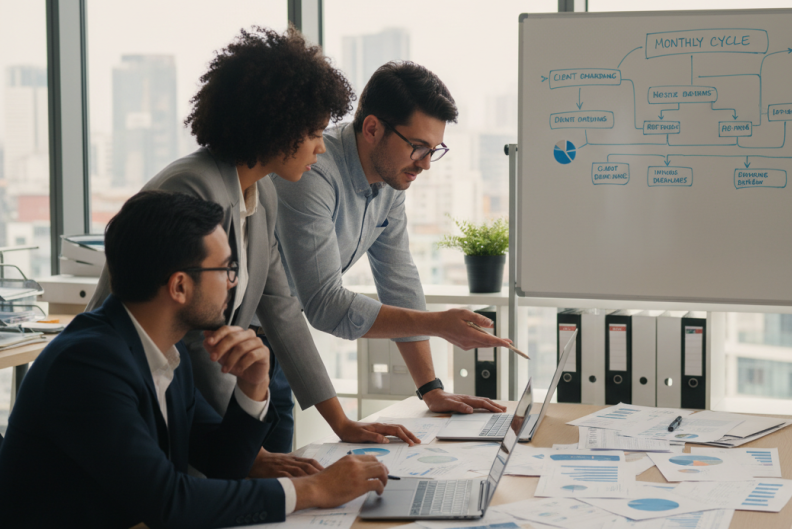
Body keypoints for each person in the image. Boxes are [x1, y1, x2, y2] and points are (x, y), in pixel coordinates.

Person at [86, 27, 504, 471]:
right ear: (278, 127)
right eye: (314, 132)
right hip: (135, 381)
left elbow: (283, 307)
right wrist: (247, 450)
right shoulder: (199, 188)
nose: (321, 146)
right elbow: (195, 336)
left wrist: (344, 420)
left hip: (226, 368)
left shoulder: (261, 194)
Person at [0, 191, 391, 528]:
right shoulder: (88, 364)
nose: (233, 283)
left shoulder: (165, 350)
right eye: (226, 269)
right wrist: (311, 490)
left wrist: (253, 387)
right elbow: (168, 503)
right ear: (180, 286)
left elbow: (222, 465)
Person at [273, 61, 511, 413]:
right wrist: (437, 324)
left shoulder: (391, 181)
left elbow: (399, 278)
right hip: (227, 333)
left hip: (278, 338)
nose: (426, 163)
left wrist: (431, 390)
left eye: (434, 150)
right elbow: (324, 303)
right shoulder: (313, 173)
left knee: (277, 462)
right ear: (372, 129)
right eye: (418, 146)